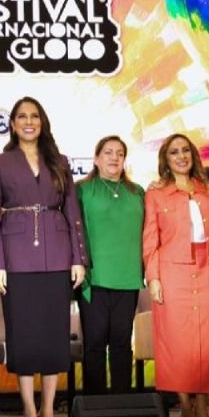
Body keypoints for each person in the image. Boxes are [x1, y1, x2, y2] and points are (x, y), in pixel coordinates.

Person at [0, 96, 87, 417]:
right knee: (24, 337)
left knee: (53, 337)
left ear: (42, 123)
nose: (29, 122)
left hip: (58, 255)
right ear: (13, 124)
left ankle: (48, 410)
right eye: (22, 117)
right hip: (16, 257)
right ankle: (29, 411)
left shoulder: (60, 161)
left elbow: (72, 212)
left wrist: (78, 258)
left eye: (34, 116)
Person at [142, 133, 209, 417]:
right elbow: (150, 239)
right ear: (166, 160)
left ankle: (203, 405)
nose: (181, 157)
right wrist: (153, 277)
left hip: (207, 270)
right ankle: (185, 406)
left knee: (204, 344)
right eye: (174, 153)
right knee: (177, 344)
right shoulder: (156, 194)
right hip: (171, 272)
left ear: (193, 155)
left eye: (185, 151)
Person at [75, 136, 144, 395]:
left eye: (119, 153)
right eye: (108, 152)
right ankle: (95, 406)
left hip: (128, 278)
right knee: (94, 343)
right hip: (94, 277)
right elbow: (73, 231)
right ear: (96, 159)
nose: (114, 157)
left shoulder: (137, 192)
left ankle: (121, 404)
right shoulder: (82, 190)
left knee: (121, 343)